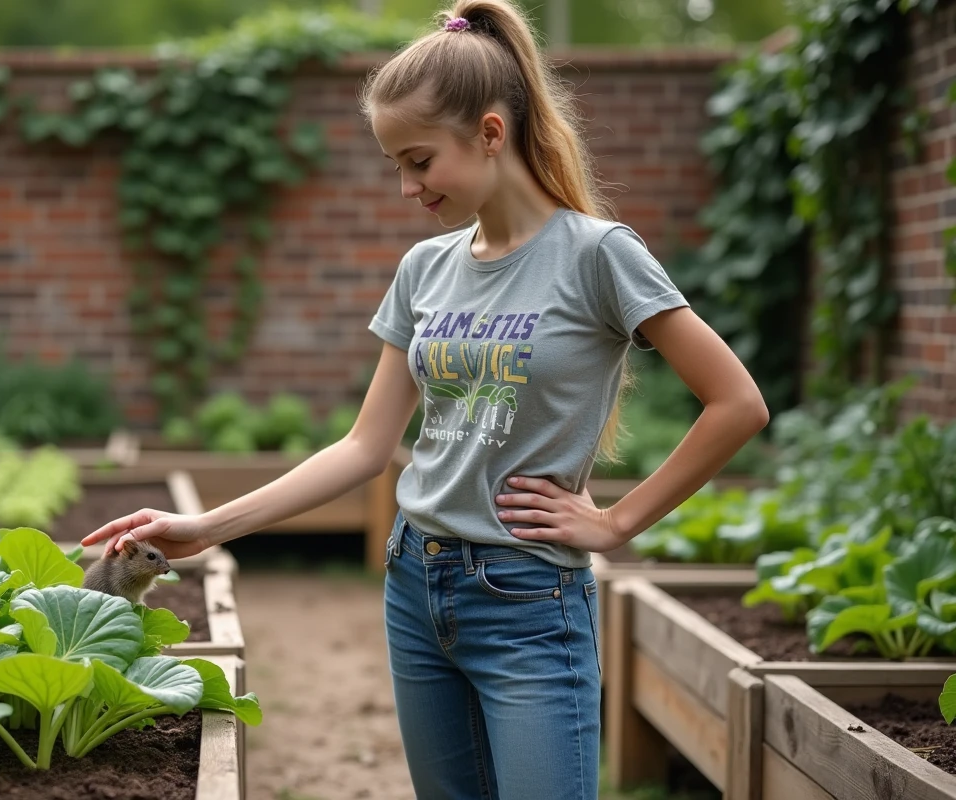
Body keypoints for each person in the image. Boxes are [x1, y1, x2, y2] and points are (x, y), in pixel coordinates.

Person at [81, 1, 769, 796]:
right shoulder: (425, 270)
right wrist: (205, 526)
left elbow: (736, 403)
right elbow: (363, 448)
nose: (407, 187)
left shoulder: (598, 255)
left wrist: (618, 521)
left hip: (529, 601)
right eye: (394, 166)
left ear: (488, 132)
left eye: (418, 161)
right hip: (416, 584)